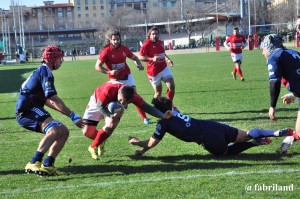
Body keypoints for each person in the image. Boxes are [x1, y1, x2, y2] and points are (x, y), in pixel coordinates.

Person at [128, 97, 293, 156]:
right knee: (248, 133)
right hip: (212, 125)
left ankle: (254, 143)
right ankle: (279, 132)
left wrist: (139, 147)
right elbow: (170, 104)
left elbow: (151, 143)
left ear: (158, 111)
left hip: (209, 138)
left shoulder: (163, 123)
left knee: (226, 152)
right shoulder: (175, 111)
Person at [15, 46, 84, 176]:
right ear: (52, 59)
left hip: (32, 109)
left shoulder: (43, 71)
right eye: (60, 59)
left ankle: (48, 164)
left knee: (63, 131)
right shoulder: (45, 72)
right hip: (27, 111)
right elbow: (52, 98)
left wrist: (70, 115)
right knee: (55, 129)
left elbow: (49, 101)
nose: (61, 61)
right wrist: (73, 116)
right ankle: (34, 162)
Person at [82, 80, 173, 160]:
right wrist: (110, 115)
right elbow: (100, 106)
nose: (122, 103)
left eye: (125, 102)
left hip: (113, 105)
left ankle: (93, 147)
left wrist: (162, 116)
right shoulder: (109, 89)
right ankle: (101, 139)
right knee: (87, 132)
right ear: (118, 92)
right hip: (97, 101)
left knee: (110, 125)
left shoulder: (133, 96)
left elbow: (147, 107)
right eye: (121, 100)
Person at [95, 29, 151, 125]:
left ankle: (145, 118)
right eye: (114, 40)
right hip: (115, 79)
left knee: (135, 96)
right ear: (110, 40)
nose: (116, 41)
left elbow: (135, 58)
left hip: (127, 76)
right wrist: (110, 71)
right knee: (113, 100)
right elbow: (97, 66)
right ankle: (108, 113)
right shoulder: (106, 52)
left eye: (118, 39)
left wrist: (139, 64)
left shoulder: (124, 49)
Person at [260, 34, 300, 154]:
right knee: (298, 132)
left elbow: (274, 81)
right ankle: (292, 138)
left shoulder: (274, 57)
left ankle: (291, 138)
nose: (262, 52)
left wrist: (272, 106)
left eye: (263, 48)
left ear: (269, 47)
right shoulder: (293, 53)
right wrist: (294, 95)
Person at [138, 26, 176, 106]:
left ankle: (170, 105)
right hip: (153, 72)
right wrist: (152, 59)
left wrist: (168, 59)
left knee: (171, 86)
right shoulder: (147, 44)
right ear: (150, 35)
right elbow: (140, 57)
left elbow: (163, 54)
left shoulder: (160, 42)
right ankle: (154, 107)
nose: (155, 35)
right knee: (158, 93)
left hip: (164, 68)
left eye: (156, 34)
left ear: (158, 35)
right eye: (153, 34)